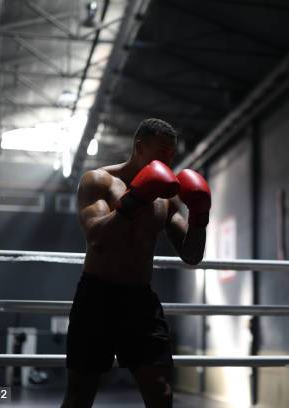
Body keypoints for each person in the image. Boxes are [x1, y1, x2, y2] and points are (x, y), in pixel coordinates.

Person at [62, 118, 211, 408]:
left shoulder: (166, 198)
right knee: (80, 396)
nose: (168, 159)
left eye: (172, 153)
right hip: (97, 298)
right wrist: (138, 197)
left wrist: (199, 215)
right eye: (162, 151)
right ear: (139, 147)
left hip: (140, 302)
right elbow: (96, 236)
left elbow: (192, 255)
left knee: (161, 393)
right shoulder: (99, 181)